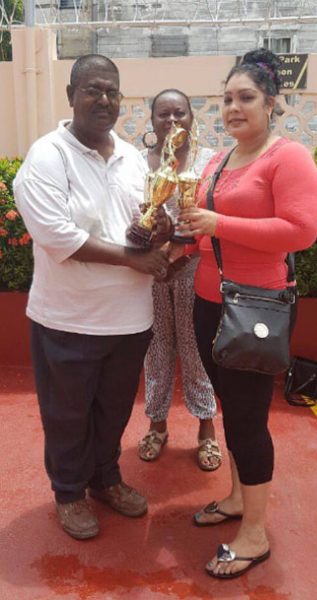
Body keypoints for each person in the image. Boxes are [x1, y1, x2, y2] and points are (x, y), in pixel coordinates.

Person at [175, 49, 317, 578]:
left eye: (246, 98)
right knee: (229, 407)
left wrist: (217, 223)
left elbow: (300, 232)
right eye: (227, 99)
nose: (234, 108)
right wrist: (183, 242)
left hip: (256, 307)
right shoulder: (220, 158)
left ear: (271, 103)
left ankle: (255, 534)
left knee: (247, 420)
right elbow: (206, 230)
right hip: (210, 303)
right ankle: (238, 498)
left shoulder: (287, 157)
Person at [14, 54, 171, 540]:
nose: (104, 100)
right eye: (93, 90)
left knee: (114, 410)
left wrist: (158, 227)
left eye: (112, 92)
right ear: (71, 96)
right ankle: (68, 492)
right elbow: (57, 236)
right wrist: (133, 260)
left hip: (128, 320)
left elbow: (141, 225)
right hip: (68, 319)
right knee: (66, 415)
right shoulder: (47, 156)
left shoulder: (130, 158)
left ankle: (105, 478)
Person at [138, 89, 222, 471]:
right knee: (155, 351)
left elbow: (217, 216)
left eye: (180, 113)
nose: (172, 121)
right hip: (152, 271)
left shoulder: (210, 162)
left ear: (192, 117)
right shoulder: (137, 163)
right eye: (163, 114)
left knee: (197, 350)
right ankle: (157, 426)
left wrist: (181, 250)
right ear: (152, 120)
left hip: (196, 269)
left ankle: (207, 431)